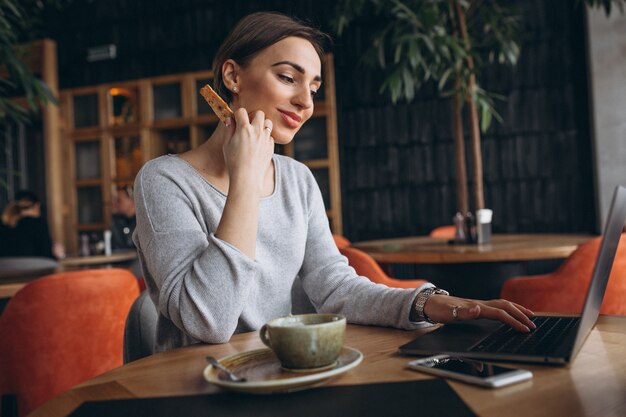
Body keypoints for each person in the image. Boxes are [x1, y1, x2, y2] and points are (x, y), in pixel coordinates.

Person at [133, 12, 535, 352]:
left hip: (290, 372)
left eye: (313, 87)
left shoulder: (298, 180)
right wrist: (245, 180)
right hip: (199, 389)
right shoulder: (163, 181)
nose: (306, 102)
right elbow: (209, 322)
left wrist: (427, 304)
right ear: (233, 76)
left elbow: (335, 287)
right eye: (288, 77)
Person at [0, 190, 59, 259]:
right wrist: (56, 253)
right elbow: (46, 256)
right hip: (34, 268)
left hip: (6, 269)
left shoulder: (3, 224)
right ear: (37, 206)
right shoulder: (38, 223)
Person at [111, 185, 136, 250]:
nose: (115, 204)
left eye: (119, 201)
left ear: (131, 200)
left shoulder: (141, 220)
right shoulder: (116, 219)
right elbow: (116, 245)